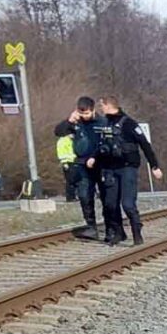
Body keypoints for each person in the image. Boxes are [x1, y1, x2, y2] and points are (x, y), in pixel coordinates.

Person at [85, 96, 162, 246]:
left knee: (127, 204)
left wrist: (154, 166)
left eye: (102, 106)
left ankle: (136, 231)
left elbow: (145, 144)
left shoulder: (129, 124)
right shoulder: (105, 124)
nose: (101, 109)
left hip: (127, 168)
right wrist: (93, 157)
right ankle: (119, 232)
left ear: (108, 106)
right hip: (109, 169)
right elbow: (102, 144)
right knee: (110, 204)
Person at [53, 96, 99, 240]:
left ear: (93, 110)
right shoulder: (75, 123)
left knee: (108, 198)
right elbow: (58, 132)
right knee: (85, 196)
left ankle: (113, 227)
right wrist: (69, 121)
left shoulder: (101, 122)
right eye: (81, 113)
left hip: (101, 163)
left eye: (86, 113)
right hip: (81, 164)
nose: (84, 116)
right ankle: (91, 226)